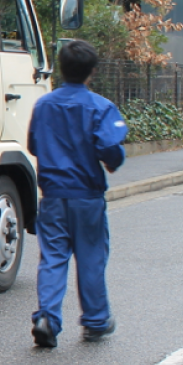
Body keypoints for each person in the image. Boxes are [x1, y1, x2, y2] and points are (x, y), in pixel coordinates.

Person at [28, 39, 128, 348]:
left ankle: (47, 318)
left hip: (53, 195)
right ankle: (95, 321)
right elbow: (110, 148)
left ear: (60, 68)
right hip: (86, 195)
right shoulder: (100, 106)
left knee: (53, 258)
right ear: (92, 72)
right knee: (91, 257)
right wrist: (113, 162)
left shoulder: (44, 105)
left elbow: (33, 145)